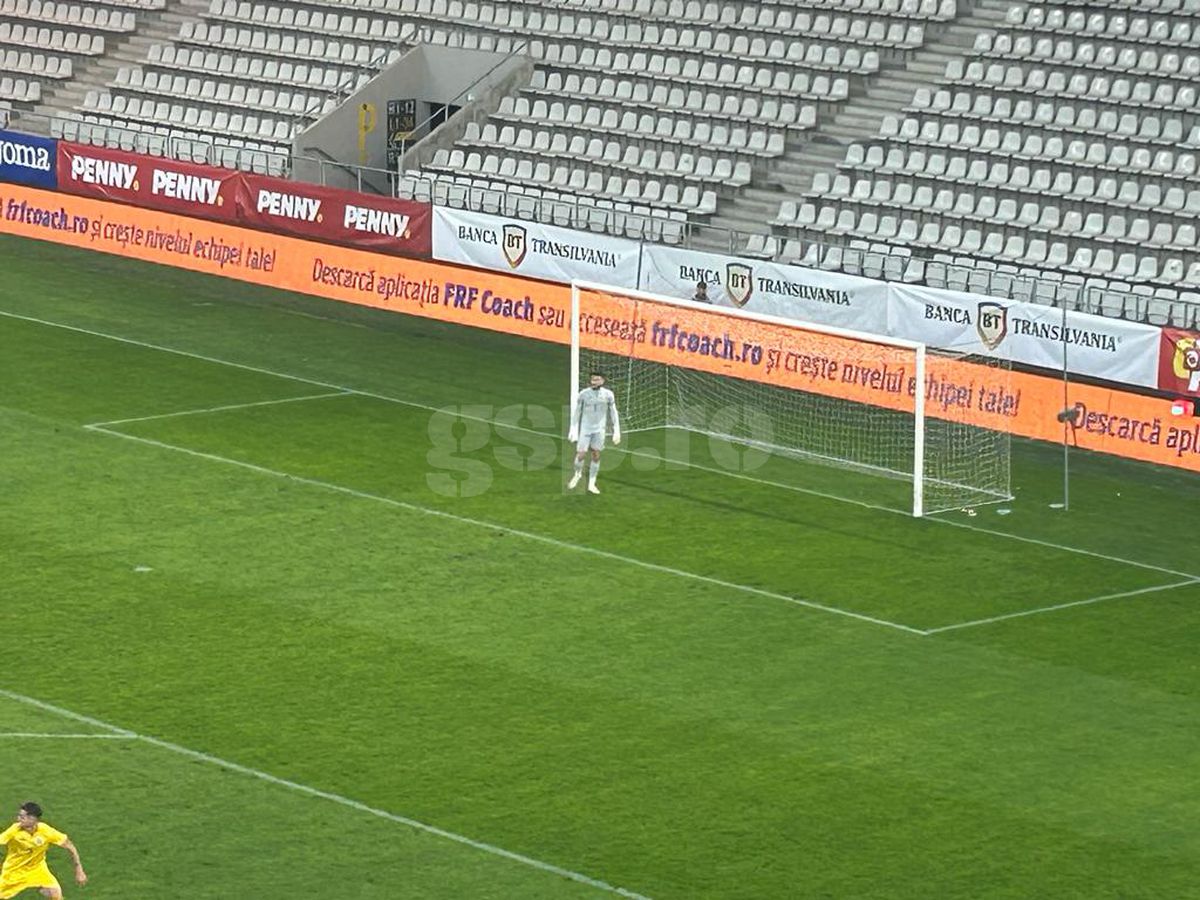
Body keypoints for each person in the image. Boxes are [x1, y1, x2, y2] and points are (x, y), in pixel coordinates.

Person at [0, 803, 86, 899]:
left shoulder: (45, 831)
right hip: (14, 872)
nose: (18, 819)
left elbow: (70, 846)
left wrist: (79, 869)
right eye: (19, 816)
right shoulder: (14, 830)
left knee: (56, 895)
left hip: (37, 869)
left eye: (22, 817)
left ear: (33, 819)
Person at [567, 371, 621, 494]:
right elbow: (577, 412)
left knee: (596, 455)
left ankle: (591, 483)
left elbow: (613, 412)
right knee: (581, 454)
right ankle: (577, 474)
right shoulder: (583, 394)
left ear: (602, 381)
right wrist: (573, 429)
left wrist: (616, 430)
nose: (594, 382)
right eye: (592, 379)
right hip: (586, 428)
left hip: (599, 430)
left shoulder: (608, 395)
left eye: (597, 379)